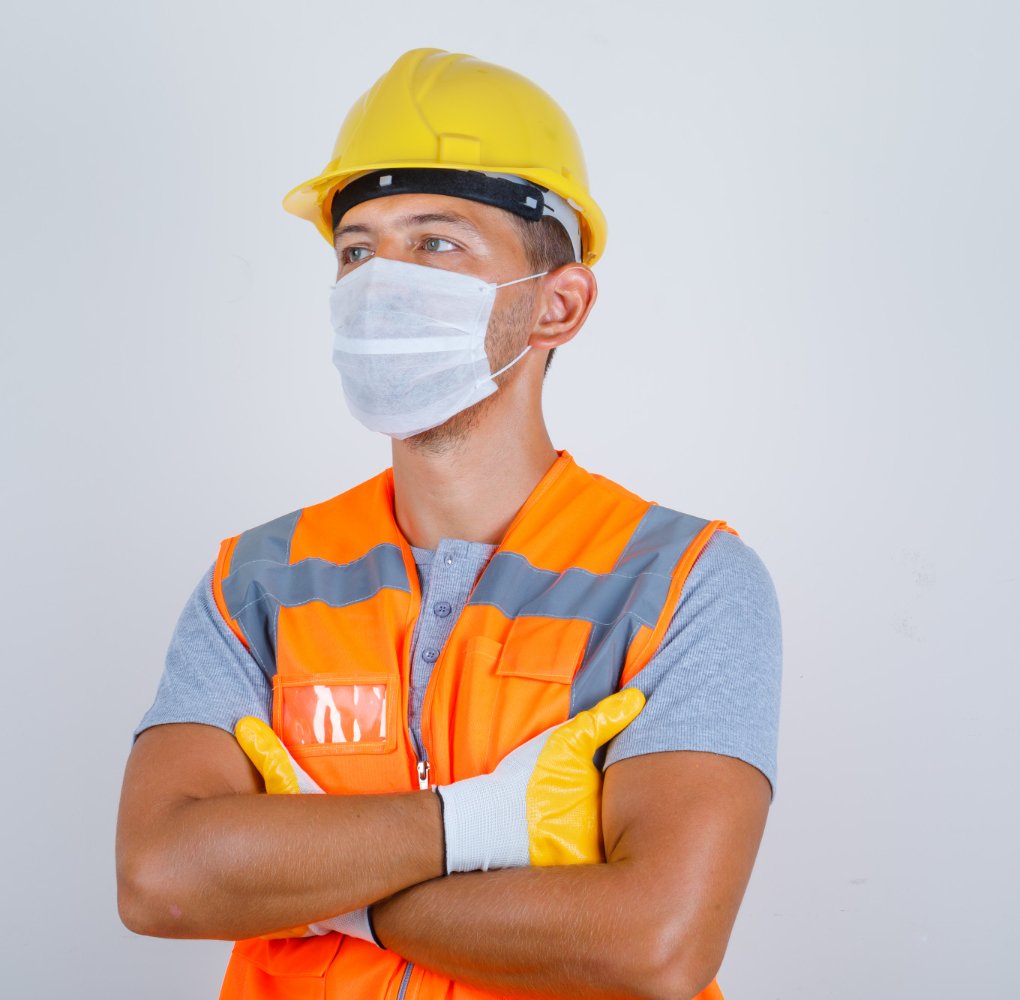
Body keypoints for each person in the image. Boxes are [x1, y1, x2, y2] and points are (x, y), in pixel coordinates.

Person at [115, 47, 781, 1000]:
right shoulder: (256, 580)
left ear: (557, 305)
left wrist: (314, 891)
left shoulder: (685, 581)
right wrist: (485, 827)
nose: (380, 283)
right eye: (356, 251)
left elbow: (656, 943)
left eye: (437, 244)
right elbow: (162, 878)